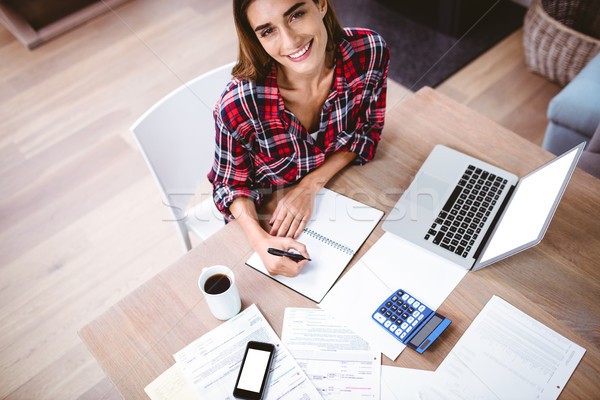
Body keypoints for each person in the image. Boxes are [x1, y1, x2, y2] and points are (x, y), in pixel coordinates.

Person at [208, 0, 389, 277]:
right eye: (268, 31)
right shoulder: (239, 104)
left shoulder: (369, 52)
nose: (290, 41)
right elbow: (230, 185)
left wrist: (309, 185)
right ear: (255, 38)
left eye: (296, 15)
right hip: (270, 219)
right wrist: (260, 242)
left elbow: (367, 131)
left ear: (321, 4)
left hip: (342, 195)